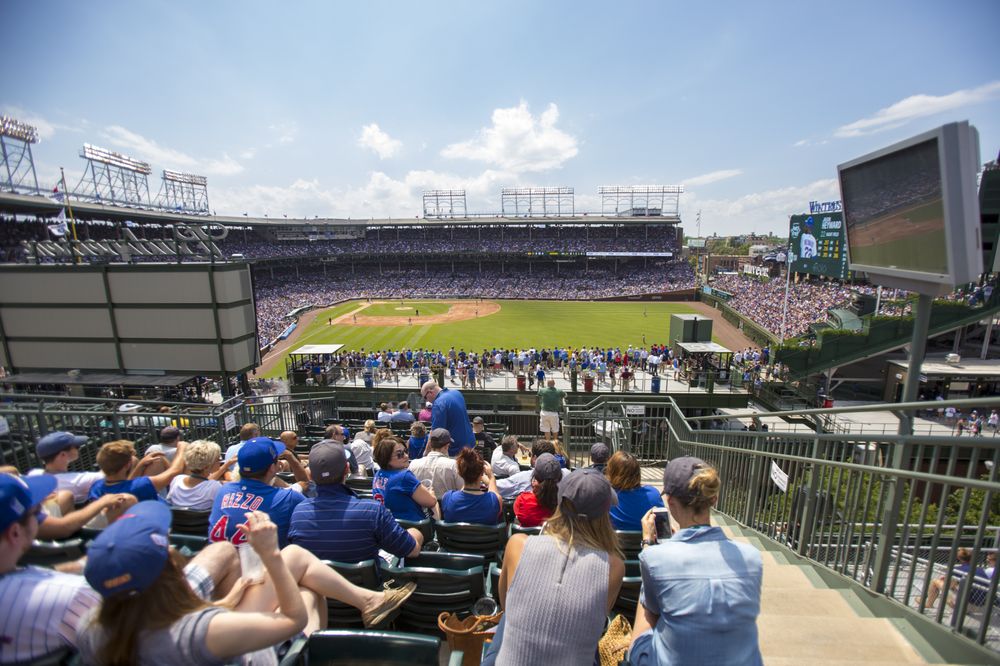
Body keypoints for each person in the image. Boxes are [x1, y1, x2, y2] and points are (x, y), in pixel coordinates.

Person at [78, 501, 417, 665]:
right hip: (258, 655)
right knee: (307, 591)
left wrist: (225, 602)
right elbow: (292, 621)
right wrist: (269, 555)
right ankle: (366, 603)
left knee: (296, 564)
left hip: (213, 639)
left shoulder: (92, 626)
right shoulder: (198, 630)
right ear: (168, 563)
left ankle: (369, 600)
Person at [484, 468, 625, 666]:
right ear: (605, 514)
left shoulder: (517, 544)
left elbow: (508, 605)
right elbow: (595, 622)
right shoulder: (614, 566)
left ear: (560, 502)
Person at [630, 457, 763, 665]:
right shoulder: (752, 558)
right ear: (714, 499)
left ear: (671, 503)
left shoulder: (656, 559)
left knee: (642, 632)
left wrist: (647, 544)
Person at [289, 441, 423, 562]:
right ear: (347, 469)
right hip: (369, 587)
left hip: (317, 588)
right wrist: (415, 532)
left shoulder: (298, 512)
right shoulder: (372, 511)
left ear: (311, 476)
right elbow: (412, 550)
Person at [209, 437, 305, 547]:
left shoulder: (223, 490)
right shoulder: (288, 498)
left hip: (222, 560)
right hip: (262, 562)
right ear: (272, 468)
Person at [88, 439, 187, 503]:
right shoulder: (141, 485)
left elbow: (126, 486)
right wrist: (181, 448)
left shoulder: (96, 487)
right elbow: (175, 470)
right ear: (127, 465)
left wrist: (140, 465)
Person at [372, 434, 439, 521]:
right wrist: (431, 492)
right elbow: (431, 502)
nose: (406, 456)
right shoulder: (404, 476)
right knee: (435, 502)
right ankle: (436, 533)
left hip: (387, 524)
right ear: (386, 458)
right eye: (399, 454)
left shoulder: (378, 474)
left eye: (405, 451)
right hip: (414, 527)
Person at [26, 431, 104, 504]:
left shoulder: (33, 474)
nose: (79, 448)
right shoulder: (76, 481)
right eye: (76, 447)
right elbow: (110, 473)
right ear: (63, 454)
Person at [605, 451, 664, 531]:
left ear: (611, 472)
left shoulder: (606, 496)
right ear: (637, 472)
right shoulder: (653, 495)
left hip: (613, 542)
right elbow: (662, 527)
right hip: (647, 542)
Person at [441, 449, 502, 524]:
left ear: (460, 473)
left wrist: (468, 473)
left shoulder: (448, 498)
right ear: (482, 472)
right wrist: (491, 476)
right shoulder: (494, 500)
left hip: (456, 536)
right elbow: (494, 495)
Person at [166, 439, 230, 511]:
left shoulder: (176, 480)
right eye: (218, 458)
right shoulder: (214, 487)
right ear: (207, 466)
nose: (220, 460)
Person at [497, 439, 570, 499]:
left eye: (530, 454)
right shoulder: (568, 475)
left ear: (535, 458)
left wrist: (490, 478)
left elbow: (498, 487)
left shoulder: (523, 478)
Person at [421, 380, 476, 456]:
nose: (427, 400)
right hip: (471, 443)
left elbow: (435, 433)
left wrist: (426, 453)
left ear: (430, 392)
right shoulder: (457, 393)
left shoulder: (438, 403)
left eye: (425, 397)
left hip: (456, 449)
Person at [408, 428, 463, 499]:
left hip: (420, 507)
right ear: (447, 446)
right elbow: (462, 491)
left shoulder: (413, 463)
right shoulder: (454, 465)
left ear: (430, 444)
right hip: (447, 508)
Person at [512, 453, 562, 528]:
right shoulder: (564, 503)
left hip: (526, 539)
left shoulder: (522, 500)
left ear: (535, 477)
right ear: (559, 477)